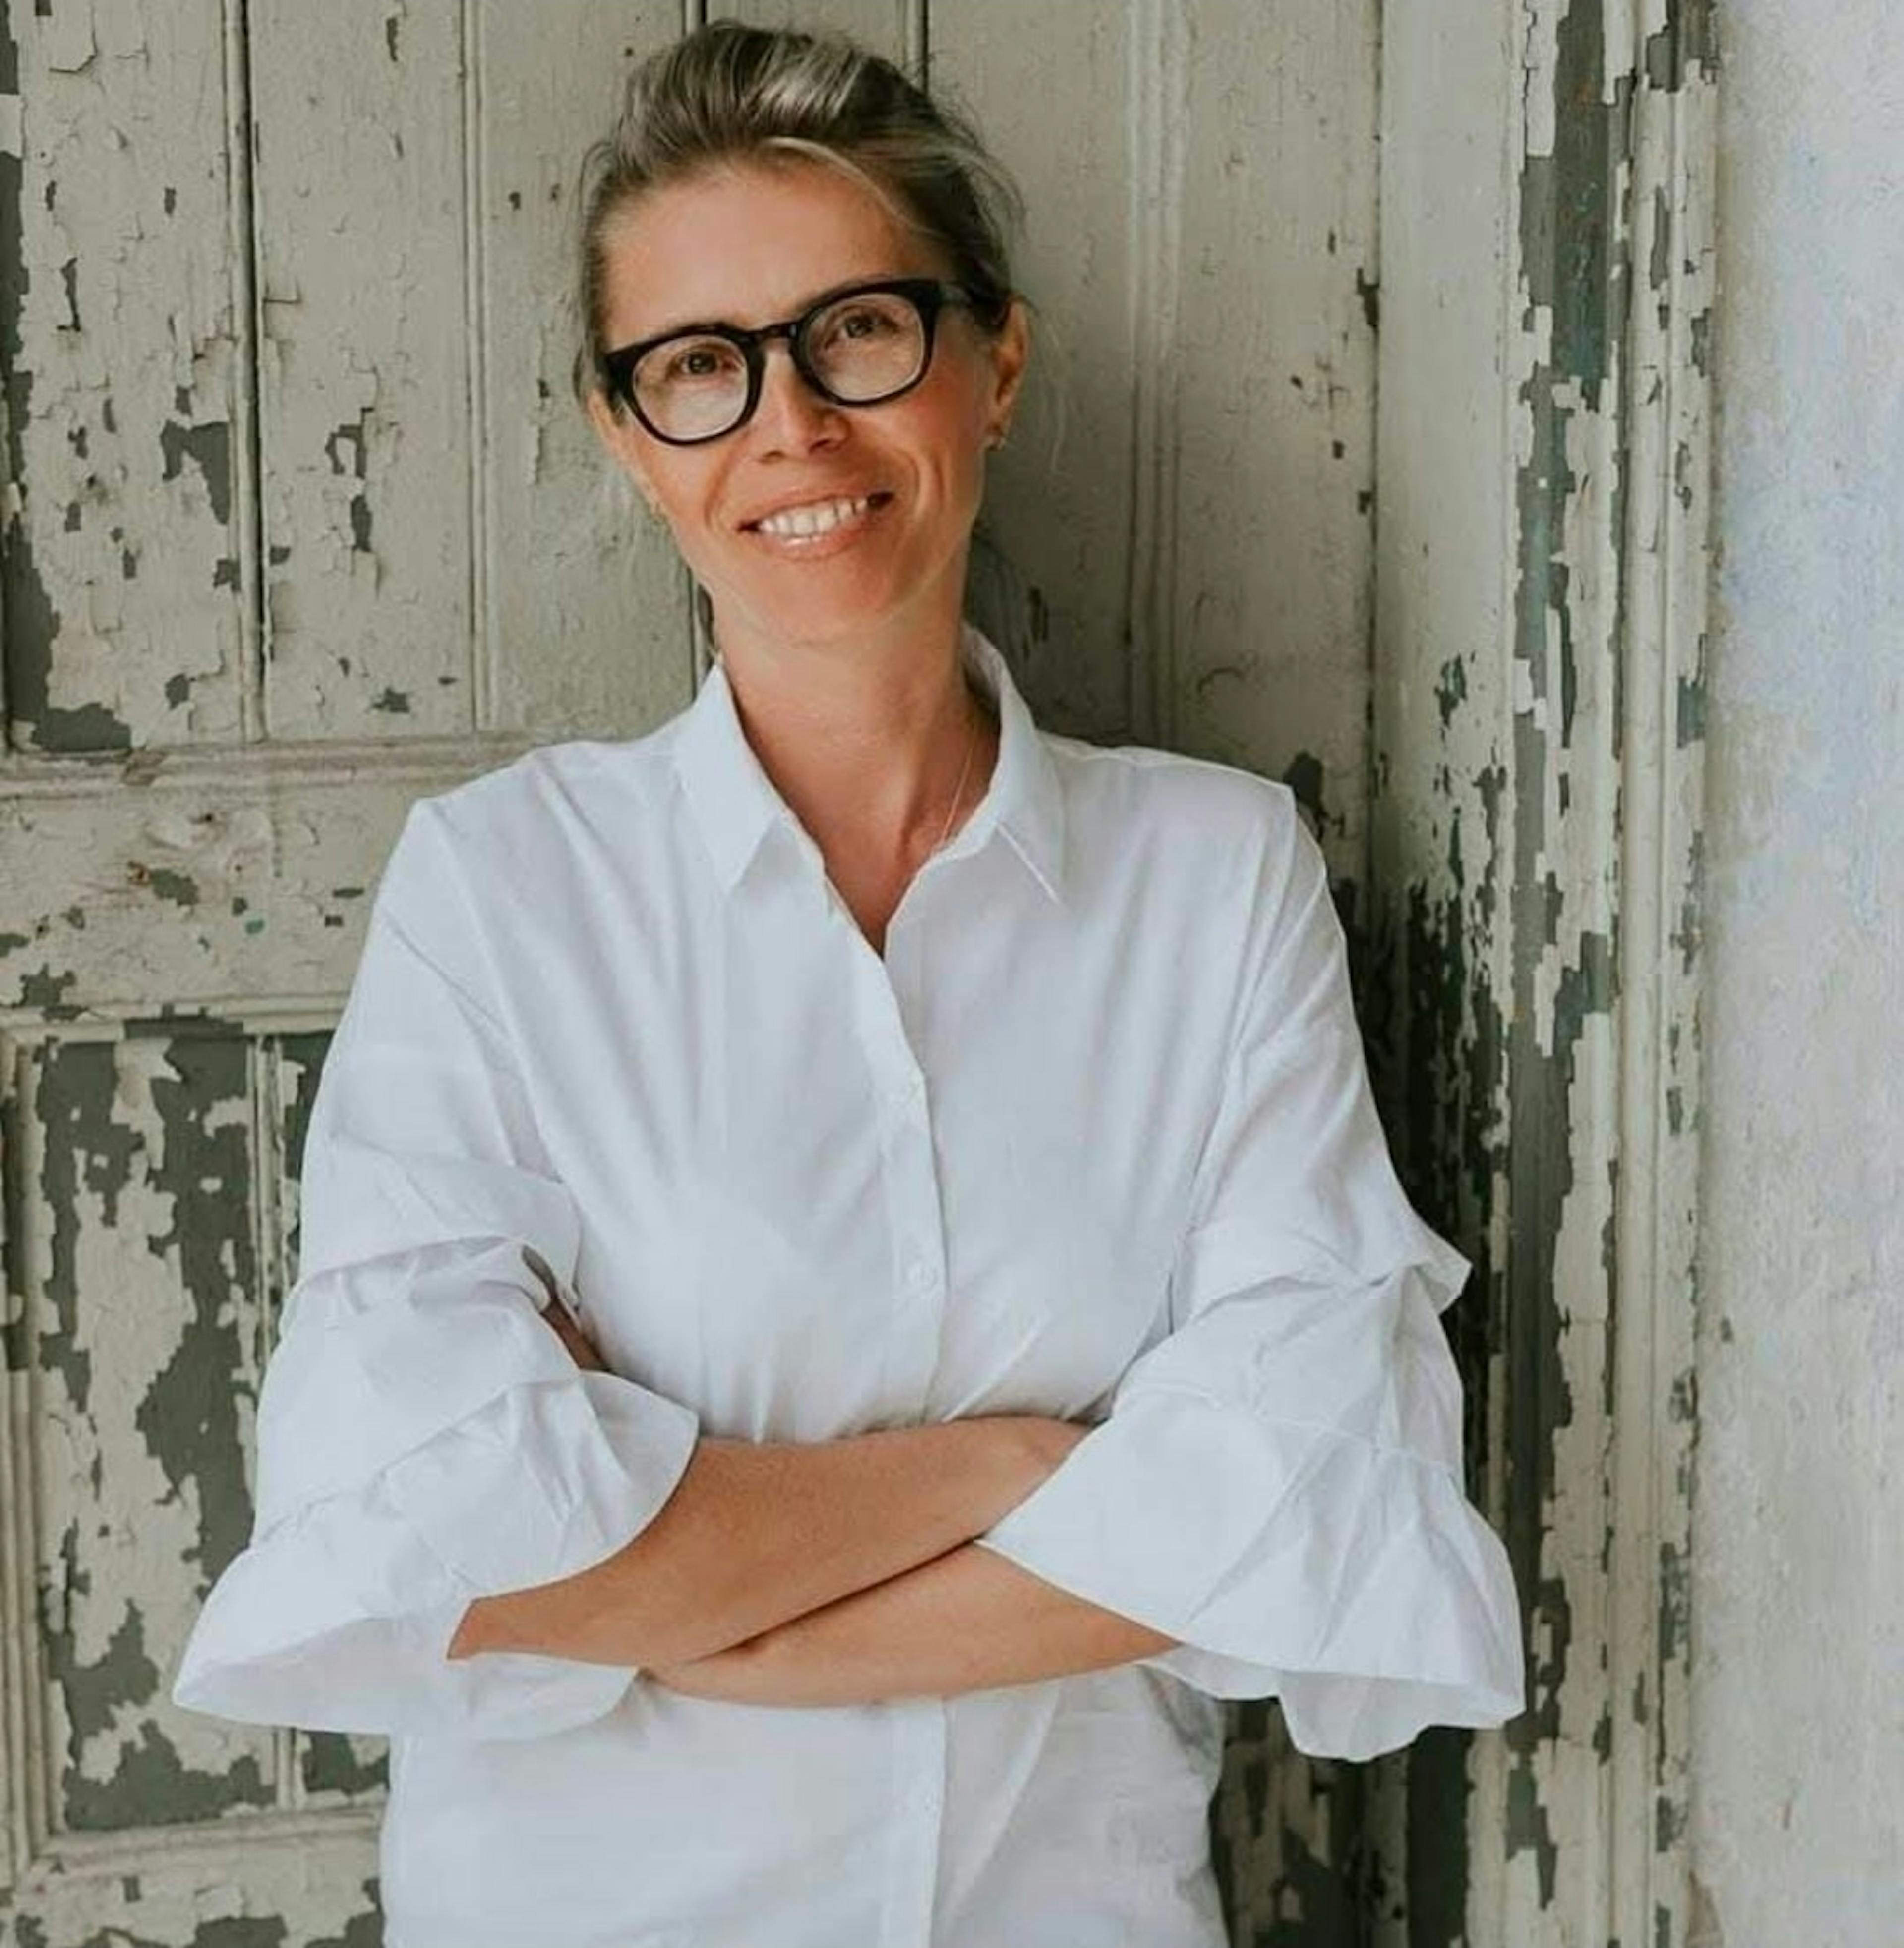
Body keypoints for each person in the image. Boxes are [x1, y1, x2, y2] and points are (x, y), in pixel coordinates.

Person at [172, 21, 1525, 1947]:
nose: (790, 423)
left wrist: (689, 1583)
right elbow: (430, 1527)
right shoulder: (506, 894)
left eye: (859, 330)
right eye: (698, 366)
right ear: (626, 437)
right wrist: (1031, 1465)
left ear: (997, 364)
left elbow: (1299, 1489)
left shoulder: (1217, 881)